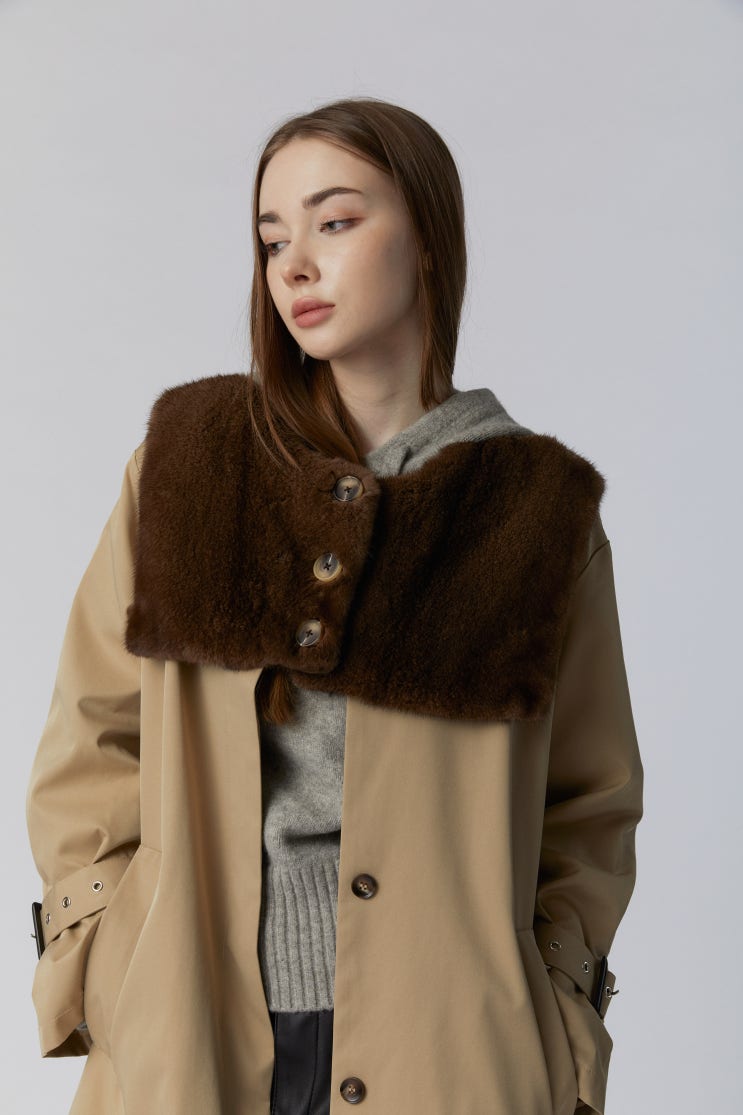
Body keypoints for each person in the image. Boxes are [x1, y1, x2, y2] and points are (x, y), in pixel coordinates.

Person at [26, 96, 644, 1115]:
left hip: (450, 1048)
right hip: (191, 1031)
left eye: (336, 221)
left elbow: (590, 800)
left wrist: (552, 1001)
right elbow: (90, 739)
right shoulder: (192, 465)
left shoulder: (531, 511)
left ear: (427, 239)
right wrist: (103, 952)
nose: (295, 266)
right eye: (273, 239)